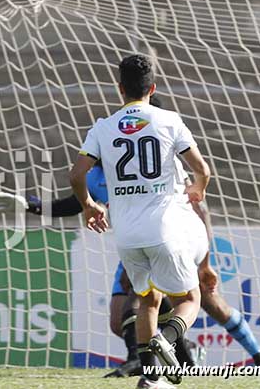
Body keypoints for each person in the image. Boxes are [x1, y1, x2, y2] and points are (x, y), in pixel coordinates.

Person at [0, 95, 260, 375]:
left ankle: (251, 359)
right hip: (137, 242)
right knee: (124, 316)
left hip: (173, 239)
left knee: (197, 303)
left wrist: (203, 258)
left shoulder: (166, 163)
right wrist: (31, 205)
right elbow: (71, 201)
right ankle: (170, 354)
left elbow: (199, 206)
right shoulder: (107, 169)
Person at [70, 54, 212, 388]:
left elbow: (76, 174)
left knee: (148, 301)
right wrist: (198, 188)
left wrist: (89, 206)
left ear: (119, 88)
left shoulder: (103, 126)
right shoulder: (168, 120)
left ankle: (150, 378)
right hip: (164, 228)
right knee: (190, 300)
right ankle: (167, 338)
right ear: (154, 87)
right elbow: (202, 169)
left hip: (126, 235)